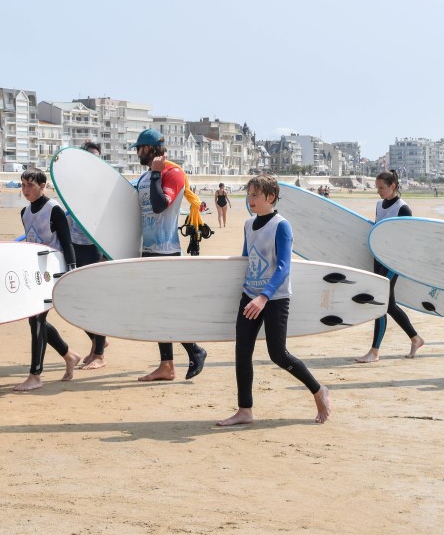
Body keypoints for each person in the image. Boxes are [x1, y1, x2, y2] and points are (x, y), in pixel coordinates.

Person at [216, 175, 331, 426]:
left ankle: (318, 389)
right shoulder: (248, 225)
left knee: (278, 354)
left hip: (274, 298)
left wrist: (263, 297)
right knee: (242, 352)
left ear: (270, 197)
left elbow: (283, 267)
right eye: (249, 195)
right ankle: (245, 410)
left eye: (255, 195)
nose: (250, 200)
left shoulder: (281, 226)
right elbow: (247, 261)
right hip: (249, 295)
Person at [132, 128, 208, 382]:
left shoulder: (173, 174)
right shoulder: (144, 178)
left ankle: (194, 349)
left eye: (140, 148)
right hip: (147, 250)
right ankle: (167, 365)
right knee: (156, 310)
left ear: (151, 149)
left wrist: (155, 173)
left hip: (166, 251)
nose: (137, 152)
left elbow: (159, 205)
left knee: (167, 309)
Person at [15, 168, 81, 391]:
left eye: (30, 186)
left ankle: (35, 375)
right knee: (35, 320)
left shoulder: (54, 210)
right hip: (34, 273)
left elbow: (67, 242)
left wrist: (71, 272)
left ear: (42, 186)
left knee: (38, 319)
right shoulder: (24, 212)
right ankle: (69, 355)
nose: (26, 190)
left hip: (53, 271)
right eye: (23, 185)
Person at [356, 170, 425, 362]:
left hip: (393, 262)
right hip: (377, 257)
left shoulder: (403, 209)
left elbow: (408, 240)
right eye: (377, 187)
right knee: (390, 304)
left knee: (380, 302)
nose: (378, 191)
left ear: (393, 186)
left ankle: (374, 352)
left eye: (381, 188)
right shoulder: (379, 205)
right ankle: (415, 338)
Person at [72, 141, 110, 371]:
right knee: (76, 300)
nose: (93, 161)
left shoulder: (104, 186)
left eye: (97, 157)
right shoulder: (73, 183)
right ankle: (99, 341)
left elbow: (109, 221)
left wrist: (106, 253)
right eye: (88, 157)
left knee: (95, 301)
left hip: (96, 247)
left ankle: (99, 355)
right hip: (75, 244)